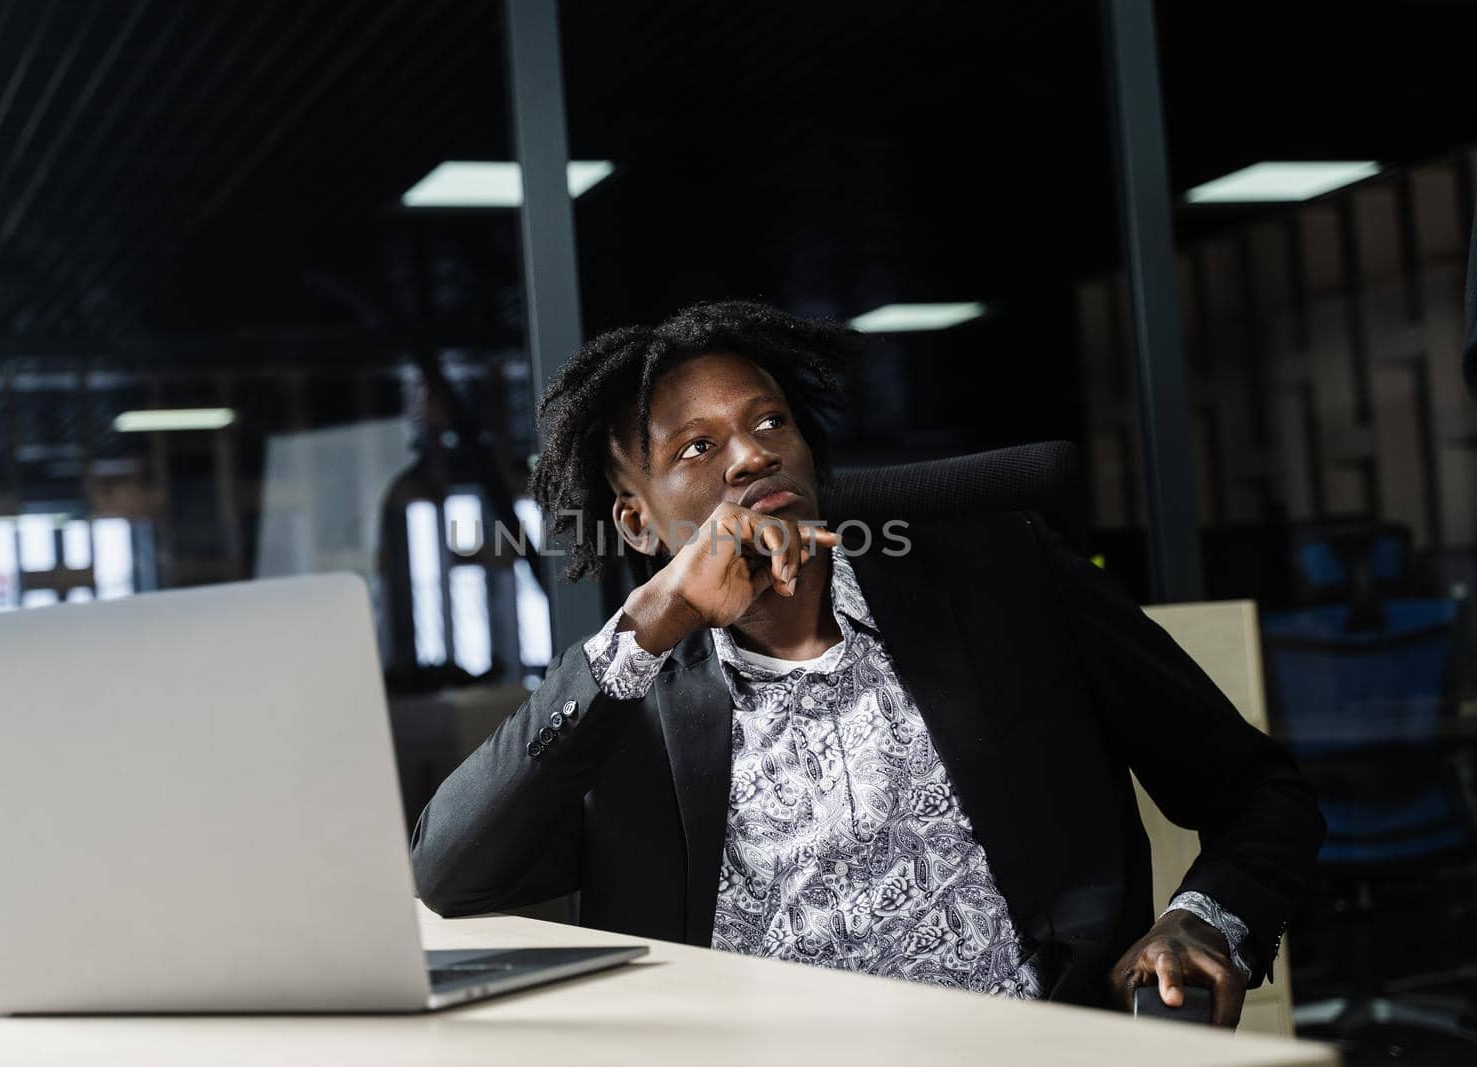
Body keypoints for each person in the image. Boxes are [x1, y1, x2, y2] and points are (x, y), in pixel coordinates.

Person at [411, 300, 1324, 1026]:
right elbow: (448, 879)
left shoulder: (1007, 580)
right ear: (638, 523)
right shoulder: (624, 705)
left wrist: (1208, 917)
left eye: (769, 421)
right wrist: (648, 621)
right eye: (698, 446)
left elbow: (1261, 792)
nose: (752, 453)